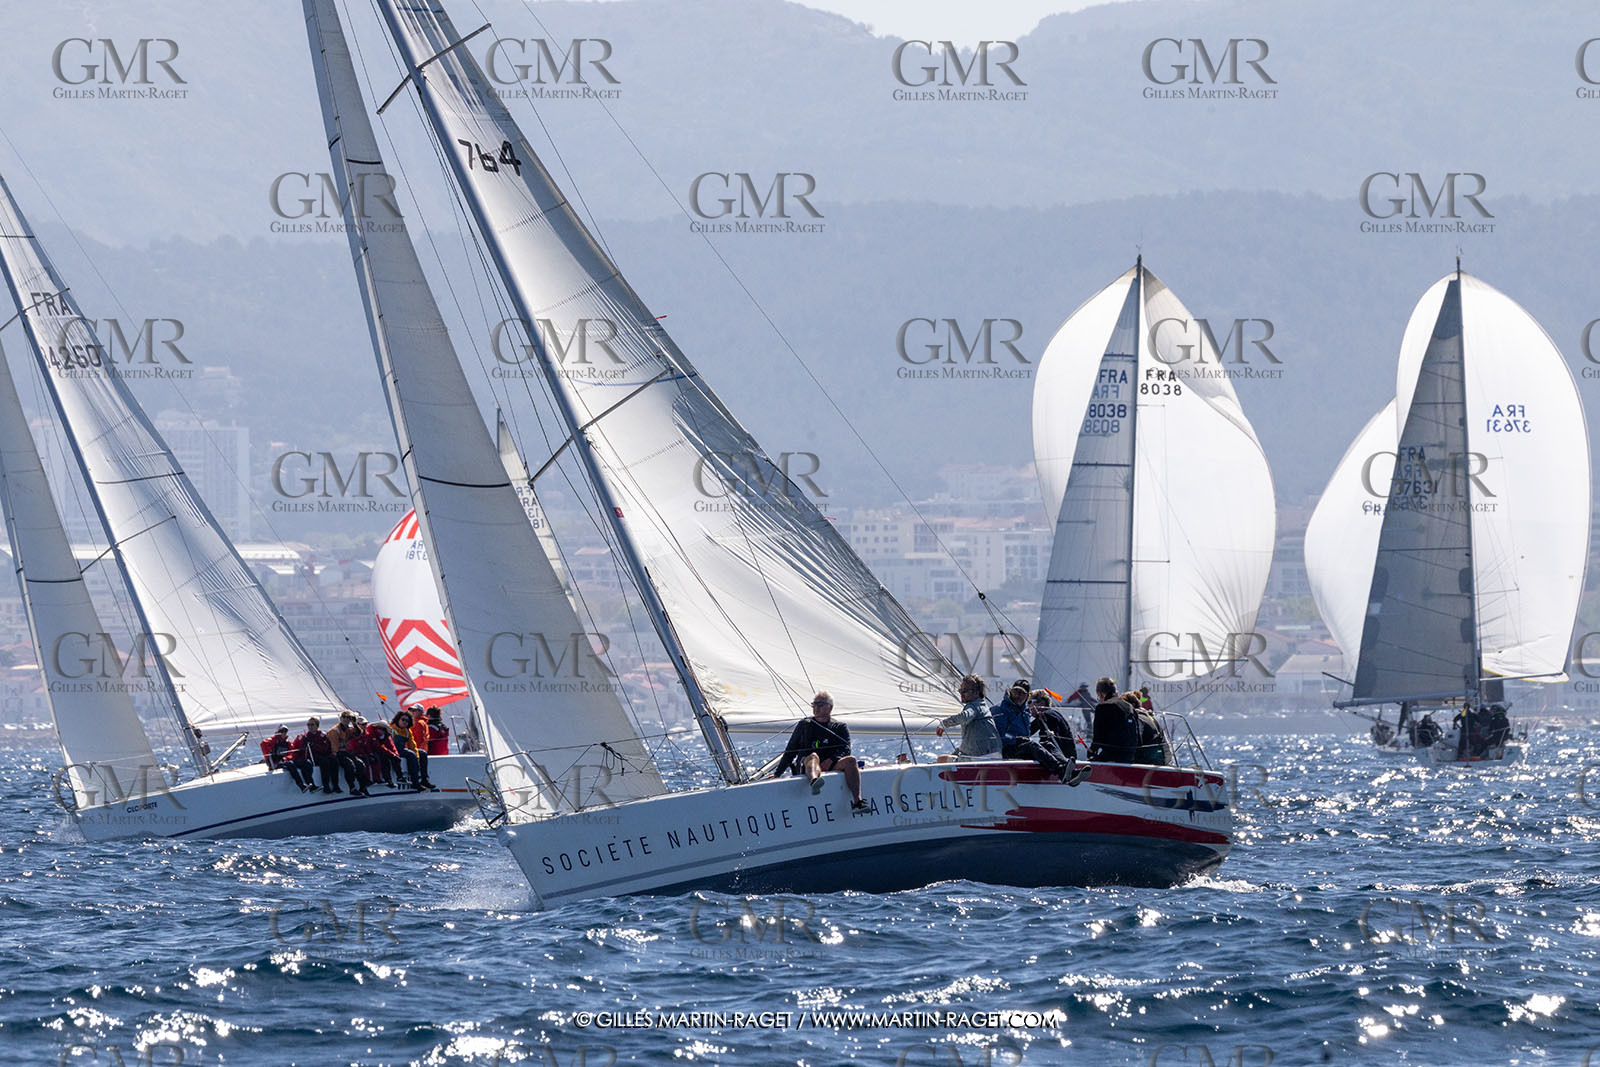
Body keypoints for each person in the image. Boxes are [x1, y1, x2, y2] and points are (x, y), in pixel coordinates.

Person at [774, 691, 867, 811]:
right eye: (814, 705)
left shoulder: (839, 727)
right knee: (813, 756)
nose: (816, 708)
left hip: (829, 763)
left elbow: (846, 748)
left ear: (830, 707)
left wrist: (833, 759)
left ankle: (857, 802)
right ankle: (814, 782)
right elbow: (791, 750)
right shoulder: (804, 725)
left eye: (820, 704)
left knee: (851, 760)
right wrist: (778, 773)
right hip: (807, 764)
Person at [993, 678, 1086, 785]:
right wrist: (1016, 739)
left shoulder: (1026, 712)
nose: (1018, 695)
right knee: (1032, 745)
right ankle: (1061, 771)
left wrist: (1037, 722)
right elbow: (1000, 735)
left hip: (1021, 748)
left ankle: (1069, 769)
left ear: (1027, 696)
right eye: (1015, 691)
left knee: (1047, 744)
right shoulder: (1001, 709)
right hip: (1008, 749)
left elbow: (1028, 733)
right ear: (1011, 691)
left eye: (1022, 693)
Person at [935, 675, 1001, 760]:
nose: (961, 694)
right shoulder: (983, 706)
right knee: (951, 758)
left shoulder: (973, 707)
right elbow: (969, 744)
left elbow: (965, 716)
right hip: (996, 755)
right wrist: (956, 753)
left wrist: (943, 724)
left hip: (979, 757)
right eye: (961, 690)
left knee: (941, 759)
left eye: (965, 691)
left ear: (977, 693)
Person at [1089, 678, 1140, 763]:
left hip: (1112, 756)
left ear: (1101, 695)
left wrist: (1091, 750)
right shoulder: (1129, 706)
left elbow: (1098, 737)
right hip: (1130, 756)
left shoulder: (1102, 707)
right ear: (1116, 692)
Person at [328, 712, 372, 796]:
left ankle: (362, 786)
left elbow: (358, 733)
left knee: (360, 764)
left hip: (345, 752)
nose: (346, 719)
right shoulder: (335, 731)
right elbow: (334, 748)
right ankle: (352, 788)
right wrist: (336, 755)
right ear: (340, 719)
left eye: (349, 718)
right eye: (344, 717)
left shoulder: (348, 729)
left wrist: (355, 723)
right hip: (336, 753)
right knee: (349, 765)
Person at [390, 710, 435, 790]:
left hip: (402, 749)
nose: (404, 722)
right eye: (403, 719)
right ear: (398, 719)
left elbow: (412, 745)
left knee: (422, 753)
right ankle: (415, 782)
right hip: (394, 750)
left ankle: (424, 779)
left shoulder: (407, 731)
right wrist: (413, 755)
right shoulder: (392, 729)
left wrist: (417, 755)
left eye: (407, 721)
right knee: (411, 754)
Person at [1028, 689, 1081, 757]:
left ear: (1041, 703)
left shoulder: (1047, 715)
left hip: (1060, 757)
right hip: (1068, 756)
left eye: (1030, 702)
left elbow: (1048, 741)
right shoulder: (1053, 714)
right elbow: (1029, 731)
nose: (1028, 706)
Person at [294, 716, 339, 793]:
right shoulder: (305, 737)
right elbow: (301, 749)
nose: (310, 727)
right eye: (308, 725)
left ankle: (335, 785)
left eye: (312, 725)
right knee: (324, 762)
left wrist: (315, 746)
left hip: (322, 754)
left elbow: (326, 747)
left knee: (334, 760)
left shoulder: (322, 735)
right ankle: (326, 785)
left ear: (317, 726)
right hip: (313, 757)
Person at [261, 725, 312, 791]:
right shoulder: (273, 741)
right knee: (290, 764)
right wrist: (275, 738)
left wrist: (285, 759)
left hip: (285, 761)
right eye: (281, 731)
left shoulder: (288, 743)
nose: (284, 733)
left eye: (285, 731)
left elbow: (292, 754)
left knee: (307, 762)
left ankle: (311, 784)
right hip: (276, 763)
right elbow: (263, 744)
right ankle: (301, 785)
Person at [364, 716, 404, 787]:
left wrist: (395, 755)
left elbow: (391, 746)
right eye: (379, 728)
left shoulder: (385, 735)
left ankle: (399, 776)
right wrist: (392, 754)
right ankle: (385, 779)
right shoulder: (371, 734)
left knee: (394, 759)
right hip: (371, 752)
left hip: (382, 751)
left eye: (383, 729)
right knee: (383, 759)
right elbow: (378, 747)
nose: (381, 730)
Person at [407, 705, 437, 789]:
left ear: (420, 712)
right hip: (421, 750)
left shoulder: (418, 722)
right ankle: (422, 780)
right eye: (411, 711)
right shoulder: (421, 721)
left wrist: (414, 752)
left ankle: (418, 781)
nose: (412, 712)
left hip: (417, 751)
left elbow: (420, 739)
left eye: (414, 710)